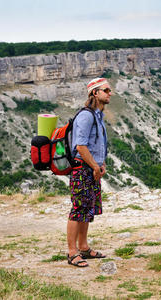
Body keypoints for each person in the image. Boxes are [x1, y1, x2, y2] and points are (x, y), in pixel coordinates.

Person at [66, 77, 111, 267]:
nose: (110, 93)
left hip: (92, 168)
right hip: (82, 168)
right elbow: (81, 146)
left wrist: (101, 164)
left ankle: (83, 247)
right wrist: (94, 166)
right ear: (94, 93)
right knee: (78, 209)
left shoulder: (98, 116)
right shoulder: (86, 116)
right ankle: (71, 252)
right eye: (106, 90)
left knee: (87, 209)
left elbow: (97, 145)